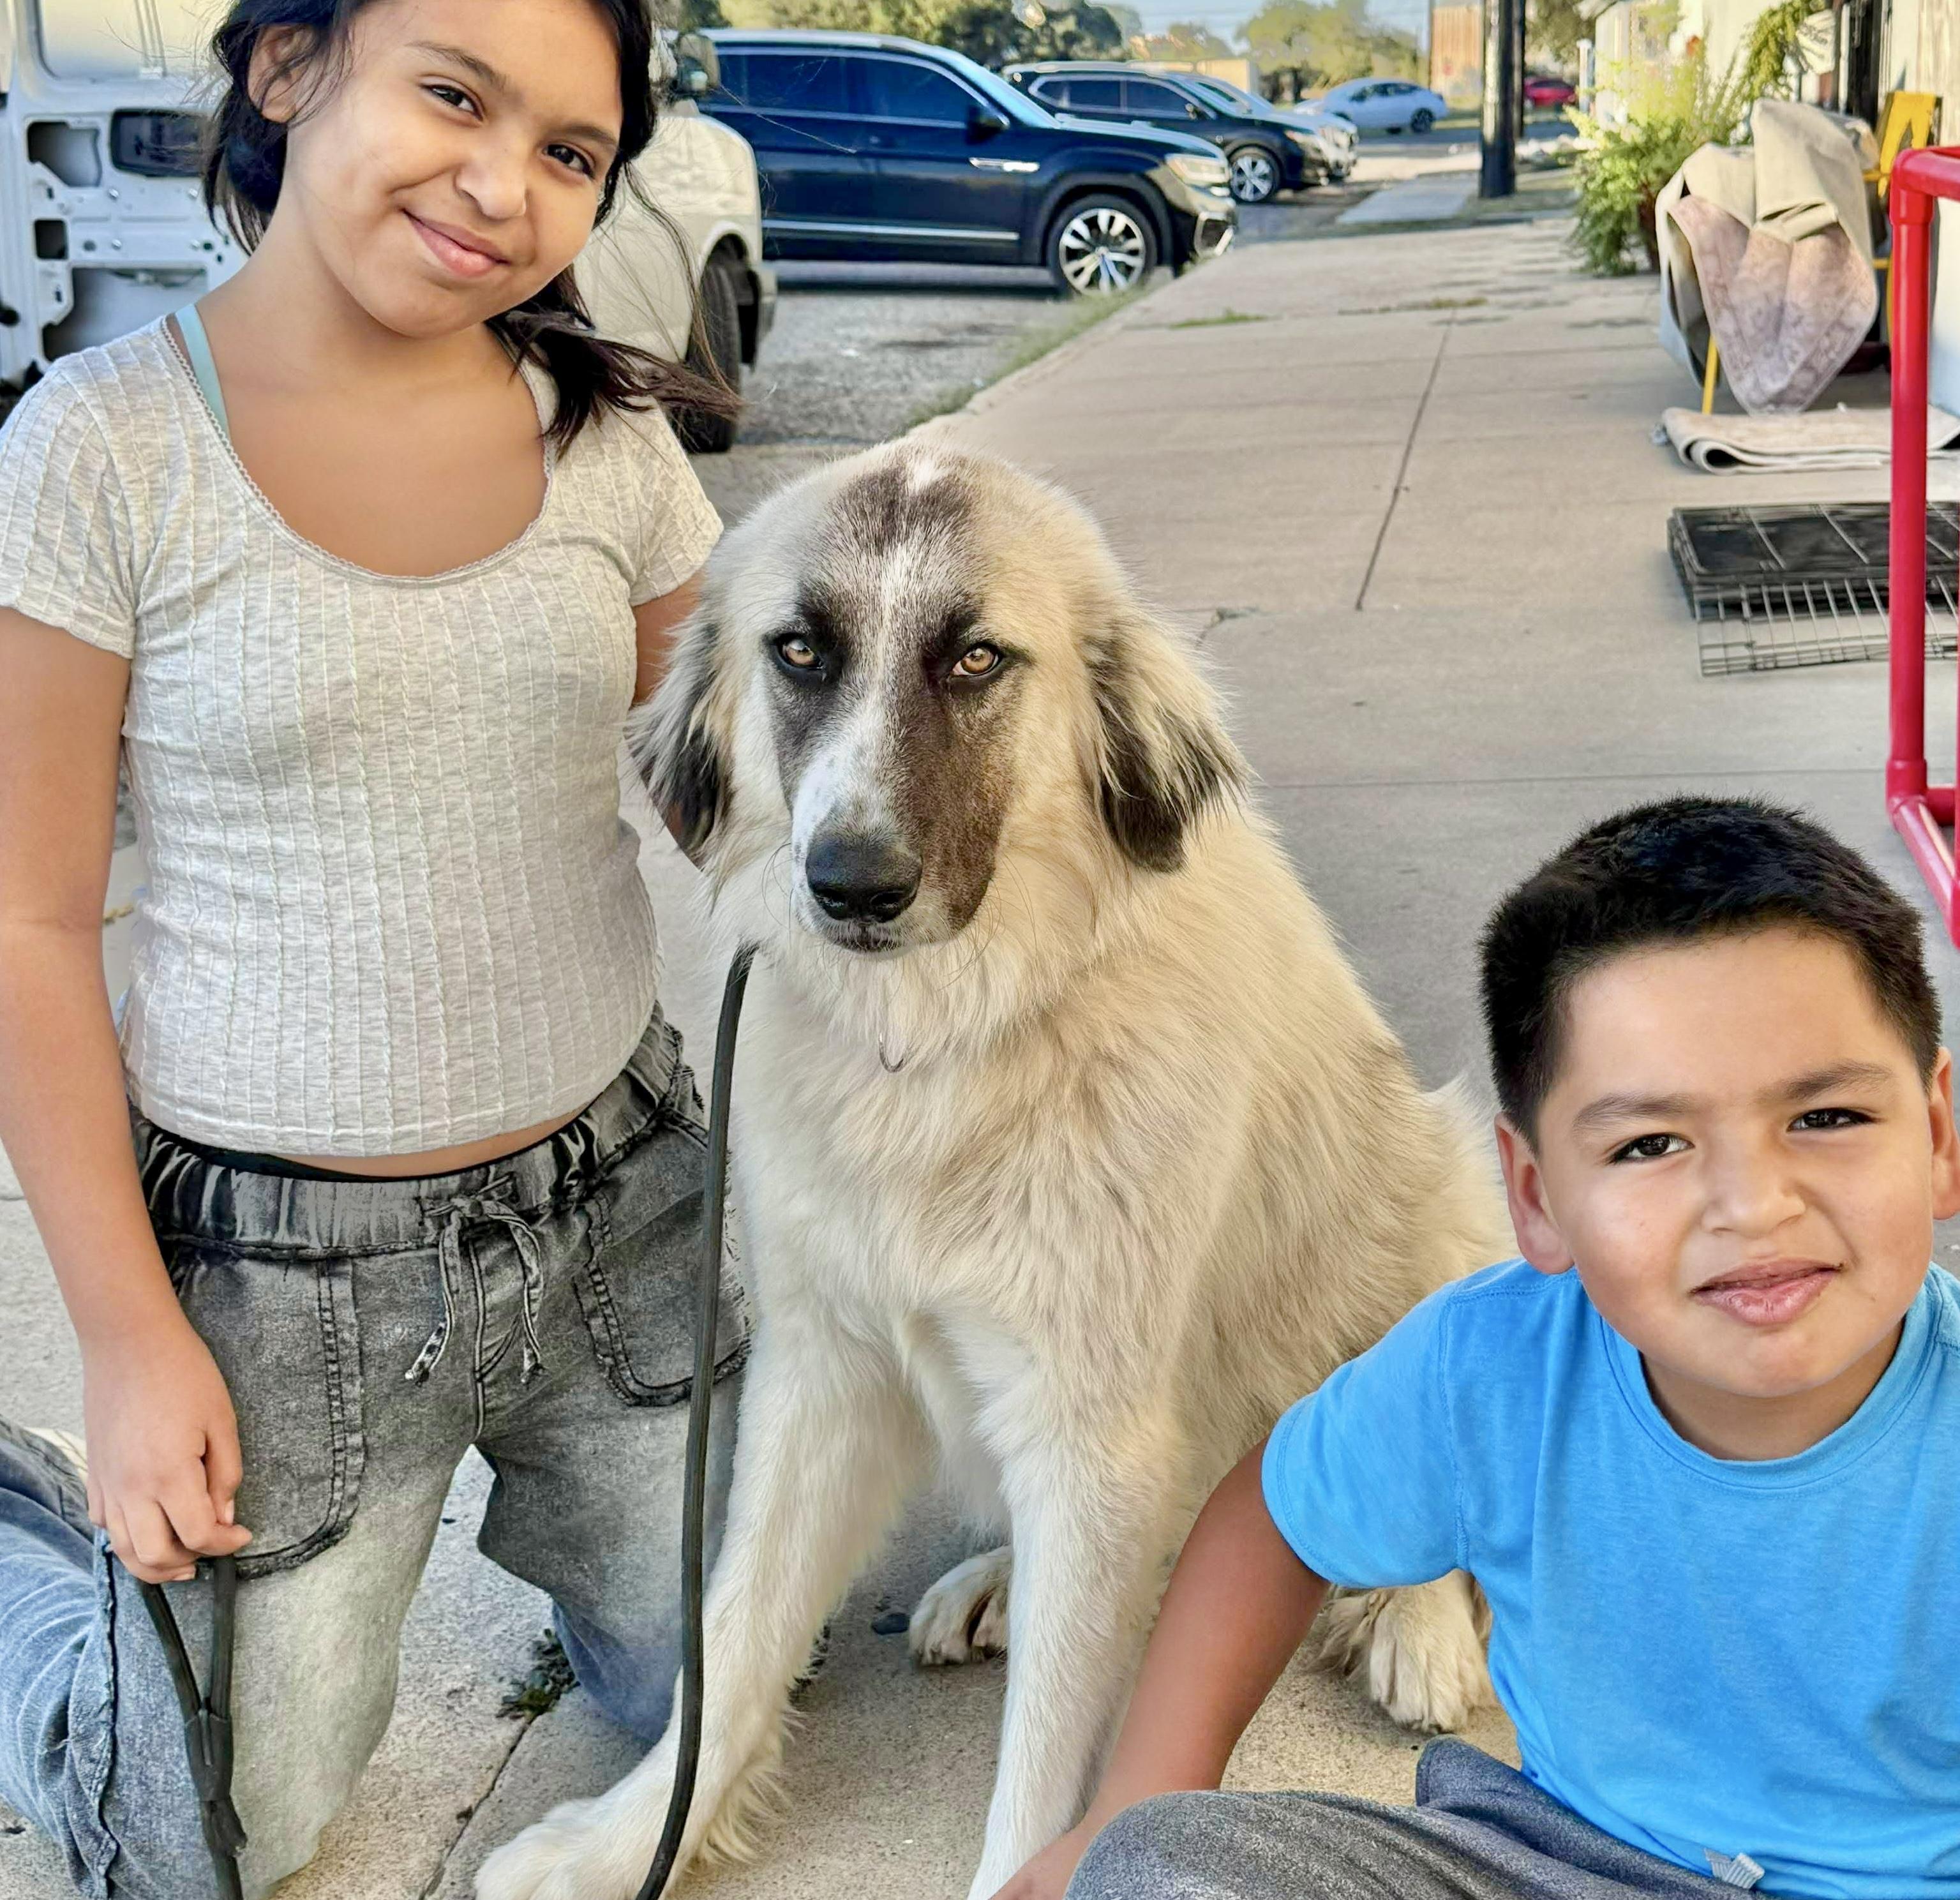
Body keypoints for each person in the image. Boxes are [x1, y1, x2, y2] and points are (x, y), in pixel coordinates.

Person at [0, 1, 745, 1893]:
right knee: (197, 1854)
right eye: (452, 95)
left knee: (742, 1696)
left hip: (634, 1211)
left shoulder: (617, 440)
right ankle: (34, 1568)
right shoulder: (100, 448)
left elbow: (731, 793)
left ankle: (596, 1550)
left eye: (573, 152)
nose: (504, 185)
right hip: (281, 1283)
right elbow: (27, 918)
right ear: (284, 69)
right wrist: (125, 1341)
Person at [996, 797, 1960, 1900]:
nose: (1751, 1204)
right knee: (1160, 1863)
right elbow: (1273, 1513)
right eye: (1652, 1143)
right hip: (1563, 1862)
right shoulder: (1489, 1365)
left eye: (1825, 1117)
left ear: (1935, 1136)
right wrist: (1131, 1799)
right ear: (1538, 1197)